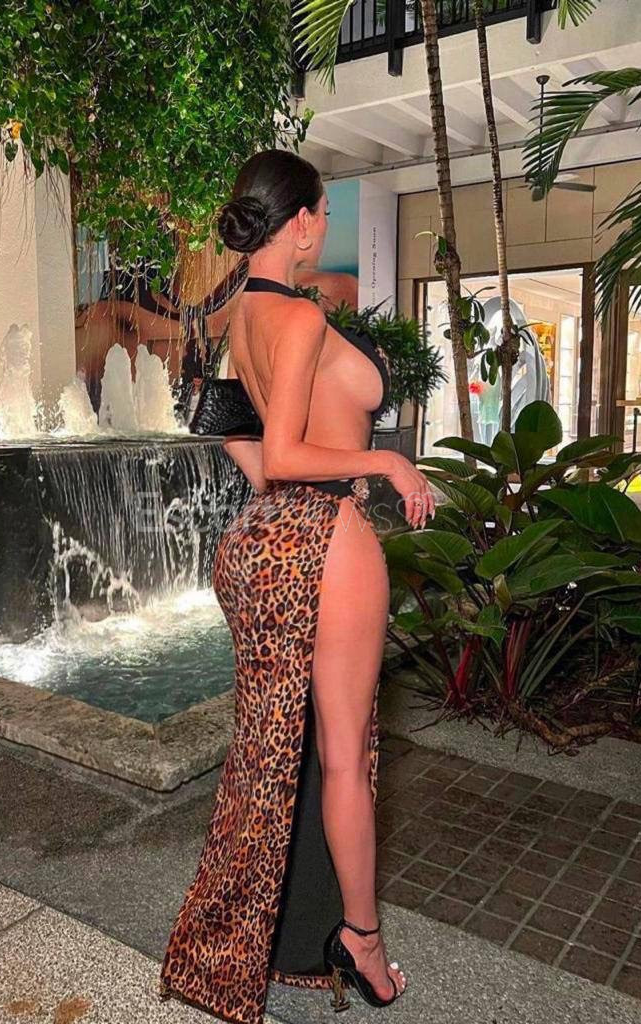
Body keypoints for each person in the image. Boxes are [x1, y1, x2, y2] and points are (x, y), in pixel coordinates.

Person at [159, 149, 436, 1024]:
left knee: (270, 746)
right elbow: (283, 453)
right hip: (327, 536)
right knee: (341, 755)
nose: (322, 228)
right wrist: (384, 462)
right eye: (322, 215)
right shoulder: (302, 317)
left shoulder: (239, 313)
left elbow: (228, 430)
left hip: (262, 544)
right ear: (305, 219)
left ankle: (258, 932)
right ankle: (360, 941)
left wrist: (285, 499)